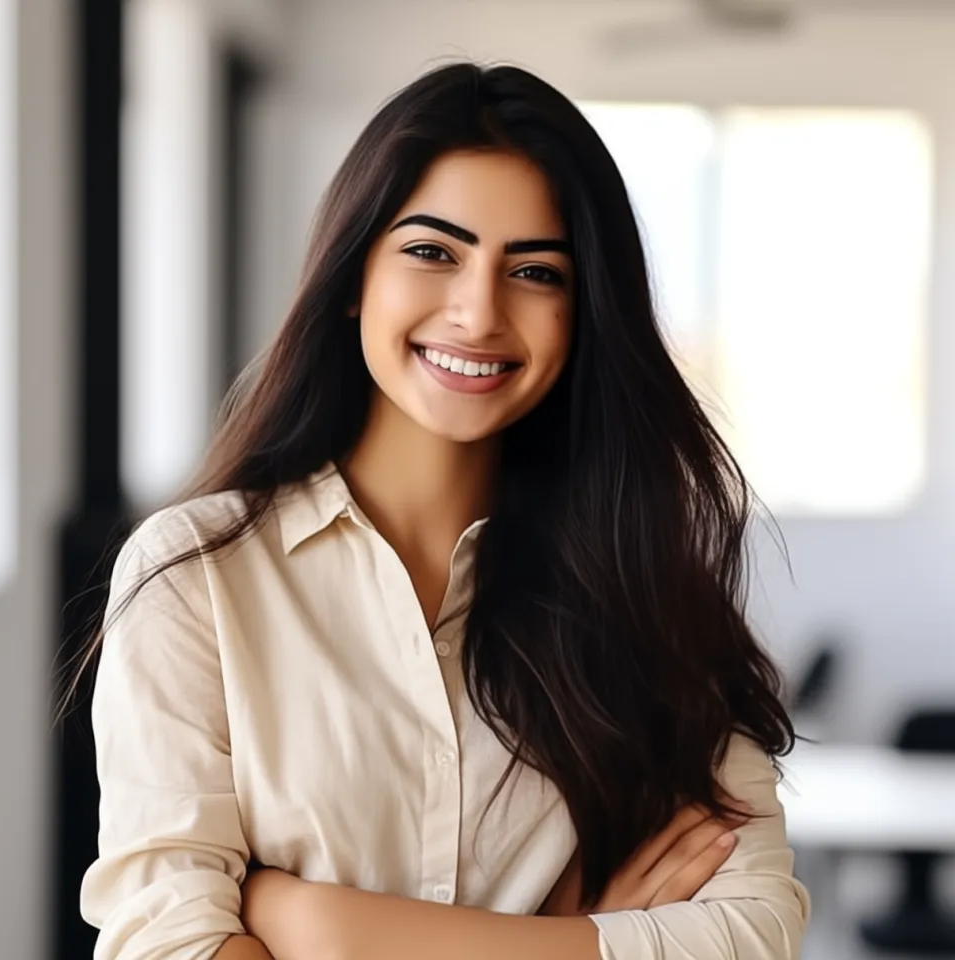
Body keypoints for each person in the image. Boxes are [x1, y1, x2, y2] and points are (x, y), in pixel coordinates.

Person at [79, 62, 810, 959]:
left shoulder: (645, 586)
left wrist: (322, 926)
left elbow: (755, 932)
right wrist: (566, 936)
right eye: (432, 251)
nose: (478, 312)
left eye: (536, 271)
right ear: (356, 276)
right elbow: (170, 946)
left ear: (584, 314)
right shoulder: (195, 576)